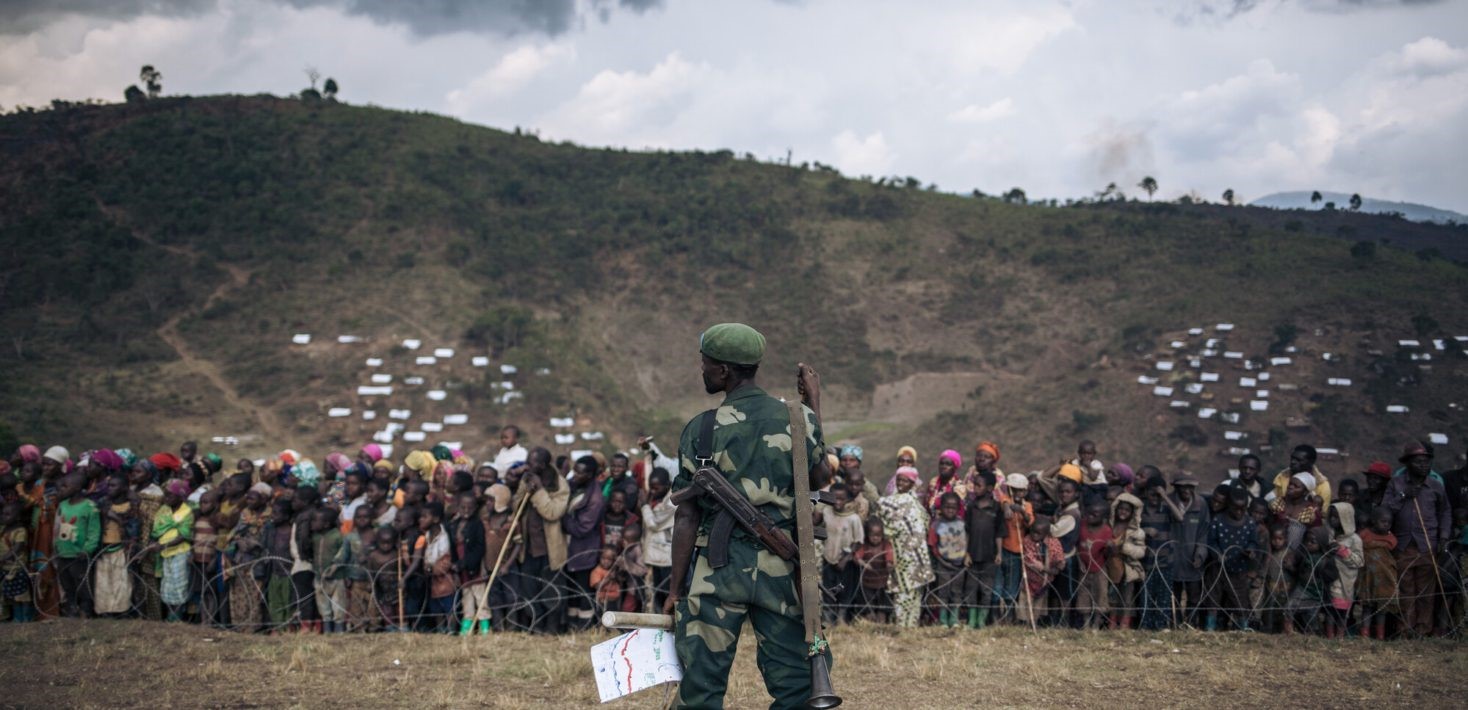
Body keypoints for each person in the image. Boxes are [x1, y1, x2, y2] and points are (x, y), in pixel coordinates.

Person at [663, 323, 831, 709]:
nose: (701, 370)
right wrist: (813, 407)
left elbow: (686, 516)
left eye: (705, 364)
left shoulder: (701, 428)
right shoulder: (798, 418)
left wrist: (675, 590)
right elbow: (821, 476)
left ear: (723, 371)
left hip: (717, 573)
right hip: (784, 571)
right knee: (797, 689)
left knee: (700, 688)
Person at [1381, 441, 1451, 637]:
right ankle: (1406, 630)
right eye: (1419, 462)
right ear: (1408, 464)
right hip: (1403, 545)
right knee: (1406, 590)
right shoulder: (1397, 484)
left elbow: (1446, 513)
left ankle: (1423, 629)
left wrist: (1444, 537)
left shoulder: (1436, 486)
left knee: (1426, 591)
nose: (1424, 466)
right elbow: (1385, 510)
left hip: (1428, 545)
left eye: (1427, 462)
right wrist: (1404, 495)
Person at [508, 449, 569, 635]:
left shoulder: (559, 483)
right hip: (528, 548)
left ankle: (552, 628)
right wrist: (526, 491)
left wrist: (540, 490)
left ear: (542, 464)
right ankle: (537, 626)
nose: (528, 464)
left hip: (550, 550)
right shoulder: (527, 479)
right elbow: (516, 505)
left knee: (551, 591)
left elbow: (553, 512)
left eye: (532, 462)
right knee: (529, 590)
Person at [877, 466, 933, 628]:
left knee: (915, 592)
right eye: (899, 480)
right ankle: (902, 625)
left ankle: (911, 625)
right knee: (903, 592)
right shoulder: (890, 502)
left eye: (905, 481)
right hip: (901, 553)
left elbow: (924, 524)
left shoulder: (915, 503)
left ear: (913, 483)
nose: (901, 483)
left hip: (918, 554)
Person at [563, 455, 608, 631]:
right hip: (572, 548)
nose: (576, 475)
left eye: (581, 473)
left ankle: (584, 625)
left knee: (582, 588)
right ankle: (572, 622)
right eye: (575, 471)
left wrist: (563, 518)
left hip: (584, 549)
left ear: (591, 474)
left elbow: (582, 528)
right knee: (572, 586)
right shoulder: (576, 486)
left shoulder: (595, 498)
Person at [1205, 488, 1260, 631]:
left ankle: (1244, 627)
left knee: (1239, 599)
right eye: (1236, 509)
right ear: (1228, 505)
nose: (1239, 512)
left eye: (1243, 509)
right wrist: (1217, 553)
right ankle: (1210, 628)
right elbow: (1211, 541)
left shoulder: (1249, 523)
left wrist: (1250, 550)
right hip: (1217, 568)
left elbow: (1253, 541)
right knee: (1213, 598)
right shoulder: (1218, 521)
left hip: (1238, 569)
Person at [961, 469, 1004, 629]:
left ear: (990, 488)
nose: (975, 488)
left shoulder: (996, 508)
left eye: (979, 485)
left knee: (986, 589)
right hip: (973, 555)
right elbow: (967, 531)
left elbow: (999, 533)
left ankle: (981, 620)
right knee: (971, 588)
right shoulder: (971, 507)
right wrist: (966, 553)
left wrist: (999, 553)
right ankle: (972, 620)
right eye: (974, 485)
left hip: (990, 556)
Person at [54, 473, 100, 618]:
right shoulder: (62, 505)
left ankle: (86, 611)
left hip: (79, 555)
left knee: (83, 584)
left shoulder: (90, 507)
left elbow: (94, 531)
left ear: (77, 488)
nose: (61, 489)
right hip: (63, 553)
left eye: (65, 486)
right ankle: (71, 610)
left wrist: (87, 549)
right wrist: (56, 546)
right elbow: (58, 528)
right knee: (67, 584)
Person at [93, 471, 138, 617]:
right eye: (108, 485)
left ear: (124, 488)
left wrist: (117, 518)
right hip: (103, 548)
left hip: (121, 549)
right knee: (103, 582)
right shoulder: (103, 503)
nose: (109, 488)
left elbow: (133, 529)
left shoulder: (131, 507)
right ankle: (104, 611)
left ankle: (121, 611)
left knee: (121, 582)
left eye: (113, 486)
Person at [152, 479, 195, 621]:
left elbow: (184, 535)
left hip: (180, 552)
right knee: (168, 585)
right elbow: (158, 529)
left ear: (181, 496)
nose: (166, 498)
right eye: (166, 495)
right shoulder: (164, 510)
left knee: (179, 585)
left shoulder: (187, 512)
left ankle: (176, 617)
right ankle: (170, 616)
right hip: (165, 553)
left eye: (170, 495)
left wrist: (163, 546)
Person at [820, 483, 864, 624]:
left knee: (844, 591)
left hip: (845, 562)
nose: (837, 502)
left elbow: (858, 541)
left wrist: (845, 559)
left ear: (847, 500)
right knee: (828, 591)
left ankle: (841, 621)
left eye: (841, 499)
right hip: (828, 559)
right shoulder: (826, 512)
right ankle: (828, 620)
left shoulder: (853, 518)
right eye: (834, 498)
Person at [994, 472, 1033, 621]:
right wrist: (1008, 506)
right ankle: (995, 614)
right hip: (1003, 549)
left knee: (1012, 586)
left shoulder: (1027, 506)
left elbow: (1030, 522)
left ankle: (1009, 616)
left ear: (1025, 492)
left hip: (1018, 552)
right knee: (997, 585)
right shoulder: (1005, 500)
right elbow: (1004, 504)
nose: (1018, 493)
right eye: (1014, 490)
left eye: (1021, 490)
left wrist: (1021, 511)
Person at [447, 493, 486, 635]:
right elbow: (452, 547)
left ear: (475, 508)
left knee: (481, 597)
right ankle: (467, 626)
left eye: (470, 507)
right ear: (458, 507)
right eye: (463, 507)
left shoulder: (477, 525)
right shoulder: (453, 525)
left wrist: (464, 563)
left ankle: (485, 627)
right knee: (466, 597)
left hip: (474, 567)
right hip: (460, 569)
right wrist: (455, 566)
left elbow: (480, 548)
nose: (466, 510)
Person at [1355, 507, 1398, 640]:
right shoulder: (1364, 534)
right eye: (1383, 521)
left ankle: (1380, 635)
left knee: (1382, 609)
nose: (1386, 525)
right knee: (1367, 608)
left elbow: (1392, 548)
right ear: (1373, 521)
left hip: (1384, 581)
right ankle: (1365, 634)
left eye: (1389, 522)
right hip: (1368, 578)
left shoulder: (1390, 538)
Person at [927, 491, 967, 627]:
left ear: (958, 508)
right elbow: (933, 545)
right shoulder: (936, 525)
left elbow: (966, 540)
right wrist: (940, 560)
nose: (950, 510)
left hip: (959, 565)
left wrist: (964, 557)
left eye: (953, 507)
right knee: (943, 592)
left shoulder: (961, 523)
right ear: (941, 507)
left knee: (957, 592)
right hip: (943, 564)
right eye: (947, 507)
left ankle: (954, 619)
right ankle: (943, 619)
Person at [1286, 526, 1336, 635]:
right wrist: (1291, 567)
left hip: (1316, 591)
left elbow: (1332, 575)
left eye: (1313, 542)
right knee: (1290, 606)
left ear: (1321, 543)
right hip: (1302, 587)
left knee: (1311, 614)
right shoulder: (1303, 554)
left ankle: (1312, 633)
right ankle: (1287, 630)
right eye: (1307, 541)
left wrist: (1319, 572)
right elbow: (1298, 572)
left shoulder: (1325, 559)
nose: (1309, 544)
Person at [1323, 502, 1363, 639]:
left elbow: (1359, 561)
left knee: (1340, 610)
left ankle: (1339, 635)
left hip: (1345, 580)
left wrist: (1342, 551)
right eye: (1332, 517)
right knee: (1329, 610)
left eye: (1337, 517)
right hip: (1329, 577)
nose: (1333, 520)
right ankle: (1329, 635)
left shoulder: (1354, 540)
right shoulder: (1329, 534)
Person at [639, 468, 677, 611]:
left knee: (667, 593)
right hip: (656, 556)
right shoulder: (657, 498)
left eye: (656, 488)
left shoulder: (672, 502)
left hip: (666, 557)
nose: (653, 491)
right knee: (658, 593)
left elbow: (654, 523)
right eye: (651, 487)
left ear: (667, 485)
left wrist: (644, 505)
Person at [1108, 492, 1146, 629]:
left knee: (1127, 598)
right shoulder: (1109, 527)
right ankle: (1112, 623)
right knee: (1112, 597)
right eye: (1121, 508)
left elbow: (1141, 551)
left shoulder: (1136, 532)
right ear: (1115, 509)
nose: (1123, 512)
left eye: (1127, 510)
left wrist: (1125, 548)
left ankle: (1124, 625)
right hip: (1111, 567)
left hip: (1128, 569)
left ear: (1132, 513)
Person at [416, 501, 454, 633]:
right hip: (432, 577)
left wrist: (431, 569)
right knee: (435, 607)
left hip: (444, 578)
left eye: (424, 516)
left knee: (448, 605)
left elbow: (445, 560)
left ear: (436, 519)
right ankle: (440, 629)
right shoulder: (426, 536)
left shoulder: (444, 537)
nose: (421, 519)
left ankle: (450, 629)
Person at [1019, 519, 1065, 626]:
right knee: (1025, 603)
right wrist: (1050, 569)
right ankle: (1023, 624)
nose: (1034, 535)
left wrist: (1045, 568)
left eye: (1038, 533)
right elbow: (1031, 562)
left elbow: (1060, 564)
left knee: (1038, 606)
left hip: (1044, 582)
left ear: (1046, 533)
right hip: (1029, 580)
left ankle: (1034, 623)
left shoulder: (1054, 543)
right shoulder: (1027, 541)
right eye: (1033, 532)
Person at [1074, 502, 1112, 629]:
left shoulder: (1107, 531)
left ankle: (1096, 623)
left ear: (1104, 517)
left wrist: (1110, 547)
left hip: (1099, 568)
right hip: (1083, 567)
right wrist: (1080, 562)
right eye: (1088, 514)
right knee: (1084, 594)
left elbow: (1107, 553)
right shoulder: (1082, 525)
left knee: (1100, 594)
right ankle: (1086, 623)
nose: (1090, 517)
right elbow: (1077, 545)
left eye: (1095, 515)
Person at [312, 508, 349, 633]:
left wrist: (334, 567)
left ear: (326, 523)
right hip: (319, 576)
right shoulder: (315, 537)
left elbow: (342, 553)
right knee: (322, 603)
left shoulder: (337, 536)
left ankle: (339, 628)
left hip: (336, 577)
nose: (312, 523)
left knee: (338, 604)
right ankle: (327, 627)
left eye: (315, 521)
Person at [852, 519, 894, 623]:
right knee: (868, 610)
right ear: (867, 534)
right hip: (867, 584)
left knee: (882, 611)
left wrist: (889, 563)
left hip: (883, 583)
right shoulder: (864, 546)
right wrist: (864, 564)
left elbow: (890, 556)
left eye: (878, 535)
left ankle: (882, 627)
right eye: (872, 535)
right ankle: (870, 628)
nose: (875, 538)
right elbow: (856, 558)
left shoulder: (886, 545)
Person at [1, 501, 33, 622]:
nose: (4, 516)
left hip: (17, 567)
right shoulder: (3, 529)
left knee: (22, 594)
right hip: (5, 568)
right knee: (12, 594)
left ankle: (26, 618)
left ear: (18, 516)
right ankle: (17, 617)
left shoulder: (20, 531)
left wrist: (3, 558)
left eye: (8, 514)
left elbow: (17, 548)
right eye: (3, 514)